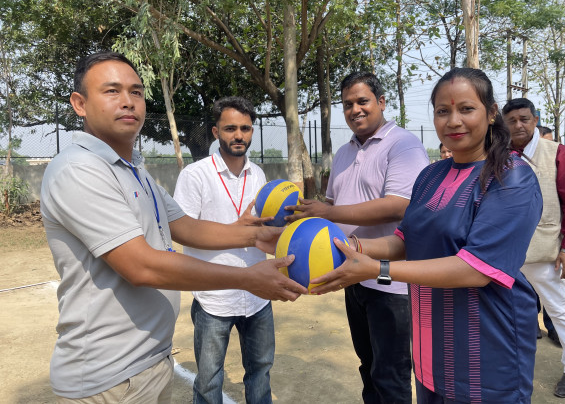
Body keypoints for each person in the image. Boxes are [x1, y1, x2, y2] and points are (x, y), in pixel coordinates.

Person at [40, 52, 306, 402]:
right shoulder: (80, 169)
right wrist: (246, 278)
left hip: (148, 361)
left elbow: (187, 227)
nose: (128, 101)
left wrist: (259, 235)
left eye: (136, 92)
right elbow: (141, 266)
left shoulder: (135, 170)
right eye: (111, 91)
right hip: (108, 376)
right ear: (80, 104)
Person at [310, 68, 542, 403]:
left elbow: (476, 268)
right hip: (431, 343)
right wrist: (348, 247)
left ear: (491, 113)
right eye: (443, 111)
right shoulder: (431, 175)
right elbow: (404, 240)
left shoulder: (511, 177)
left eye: (466, 109)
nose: (453, 121)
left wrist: (377, 270)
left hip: (486, 347)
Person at [286, 72, 430, 403]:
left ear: (381, 102)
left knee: (390, 374)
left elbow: (399, 205)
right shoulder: (344, 153)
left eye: (363, 101)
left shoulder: (404, 145)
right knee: (368, 367)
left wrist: (329, 212)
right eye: (348, 104)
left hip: (391, 282)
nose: (355, 110)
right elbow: (334, 207)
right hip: (353, 276)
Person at [173, 97, 275, 403]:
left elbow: (263, 228)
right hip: (214, 298)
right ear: (216, 132)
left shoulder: (258, 175)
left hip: (257, 295)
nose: (239, 135)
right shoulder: (195, 175)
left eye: (245, 128)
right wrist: (239, 230)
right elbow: (184, 234)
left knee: (260, 372)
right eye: (230, 128)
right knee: (208, 381)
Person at [502, 97, 565, 398]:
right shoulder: (499, 153)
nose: (518, 125)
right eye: (512, 121)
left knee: (559, 309)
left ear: (535, 120)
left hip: (544, 249)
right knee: (505, 311)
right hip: (504, 249)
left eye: (524, 119)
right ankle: (507, 367)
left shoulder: (557, 153)